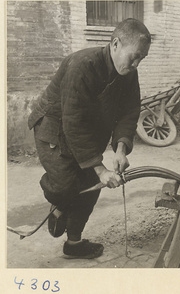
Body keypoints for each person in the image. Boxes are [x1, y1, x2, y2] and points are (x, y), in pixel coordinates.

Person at [28, 18, 151, 258]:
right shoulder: (81, 64)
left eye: (142, 58)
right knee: (65, 185)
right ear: (115, 44)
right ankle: (59, 202)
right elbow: (73, 122)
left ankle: (74, 244)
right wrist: (100, 168)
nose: (136, 64)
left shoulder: (128, 73)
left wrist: (121, 149)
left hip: (87, 131)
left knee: (92, 186)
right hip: (54, 129)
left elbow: (129, 111)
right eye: (134, 56)